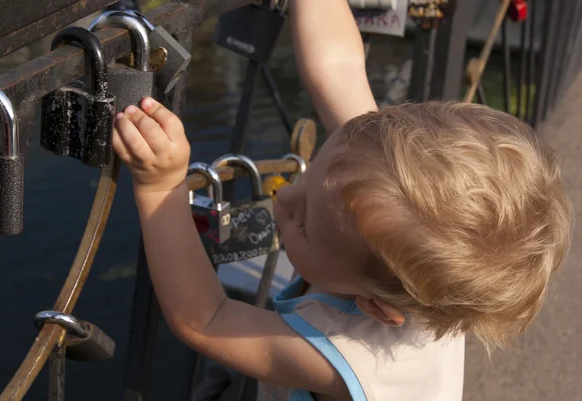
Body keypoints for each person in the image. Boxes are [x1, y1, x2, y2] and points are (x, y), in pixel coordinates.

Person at [111, 1, 573, 400]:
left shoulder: (349, 355)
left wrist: (161, 188)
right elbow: (339, 68)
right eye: (308, 175)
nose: (285, 197)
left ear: (375, 309)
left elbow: (205, 318)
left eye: (305, 225)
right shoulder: (382, 195)